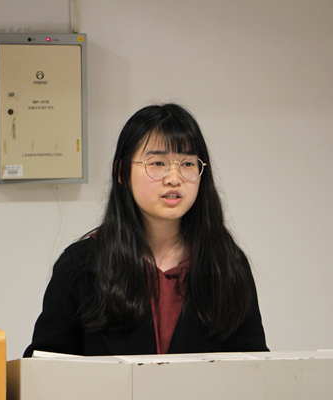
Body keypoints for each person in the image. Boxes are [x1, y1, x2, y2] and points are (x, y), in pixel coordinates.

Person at [24, 103, 268, 357]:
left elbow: (255, 365)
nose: (174, 178)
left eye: (187, 163)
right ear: (122, 173)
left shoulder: (226, 263)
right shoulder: (80, 265)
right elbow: (44, 366)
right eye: (158, 163)